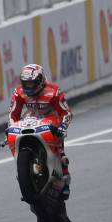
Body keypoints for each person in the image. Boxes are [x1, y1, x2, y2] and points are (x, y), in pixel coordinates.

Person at [9, 64, 73, 199]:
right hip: (31, 118)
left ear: (40, 81)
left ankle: (65, 180)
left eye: (31, 83)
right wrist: (10, 128)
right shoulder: (19, 93)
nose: (28, 87)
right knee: (13, 135)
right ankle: (23, 175)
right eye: (25, 83)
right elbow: (13, 114)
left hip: (51, 119)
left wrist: (62, 127)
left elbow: (66, 113)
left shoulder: (54, 91)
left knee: (60, 149)